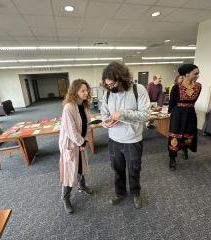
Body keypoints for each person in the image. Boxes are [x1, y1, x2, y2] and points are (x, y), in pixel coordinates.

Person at [101, 61, 150, 209]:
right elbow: (103, 114)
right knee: (117, 169)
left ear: (122, 79)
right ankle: (120, 193)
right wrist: (106, 123)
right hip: (114, 139)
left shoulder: (138, 89)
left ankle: (135, 193)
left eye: (112, 84)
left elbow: (146, 115)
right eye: (107, 85)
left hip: (133, 139)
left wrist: (122, 114)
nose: (110, 87)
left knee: (134, 168)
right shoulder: (108, 93)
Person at [59, 79, 93, 214]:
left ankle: (82, 186)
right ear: (75, 92)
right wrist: (82, 142)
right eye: (83, 91)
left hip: (80, 142)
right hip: (70, 144)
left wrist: (86, 140)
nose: (86, 93)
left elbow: (87, 124)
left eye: (87, 90)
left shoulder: (84, 105)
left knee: (81, 166)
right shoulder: (68, 107)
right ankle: (65, 199)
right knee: (69, 172)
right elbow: (71, 130)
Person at [168, 64, 202, 171]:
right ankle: (172, 158)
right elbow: (172, 103)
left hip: (190, 113)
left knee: (188, 133)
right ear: (187, 74)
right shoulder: (176, 87)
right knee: (175, 134)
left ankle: (185, 149)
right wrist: (171, 114)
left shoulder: (198, 86)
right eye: (195, 73)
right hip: (178, 114)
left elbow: (194, 101)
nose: (198, 76)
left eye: (198, 73)